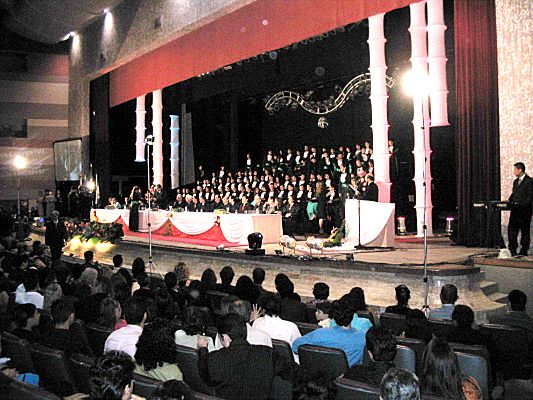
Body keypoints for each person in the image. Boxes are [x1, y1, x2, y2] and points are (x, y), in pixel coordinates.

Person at [197, 314, 298, 400]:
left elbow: (205, 376)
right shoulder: (267, 354)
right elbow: (294, 371)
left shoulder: (215, 359)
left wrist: (202, 349)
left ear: (226, 338)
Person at [292, 299, 366, 368]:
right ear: (353, 316)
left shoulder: (320, 333)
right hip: (347, 376)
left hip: (318, 374)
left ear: (333, 316)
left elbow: (295, 346)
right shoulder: (363, 338)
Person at [507, 162, 532, 256]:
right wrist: (509, 200)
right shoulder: (515, 181)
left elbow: (530, 197)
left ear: (520, 170)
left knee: (525, 231)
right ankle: (512, 249)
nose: (514, 172)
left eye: (515, 169)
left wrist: (522, 205)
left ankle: (524, 250)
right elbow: (514, 194)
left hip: (525, 212)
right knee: (512, 230)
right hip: (515, 211)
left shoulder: (529, 181)